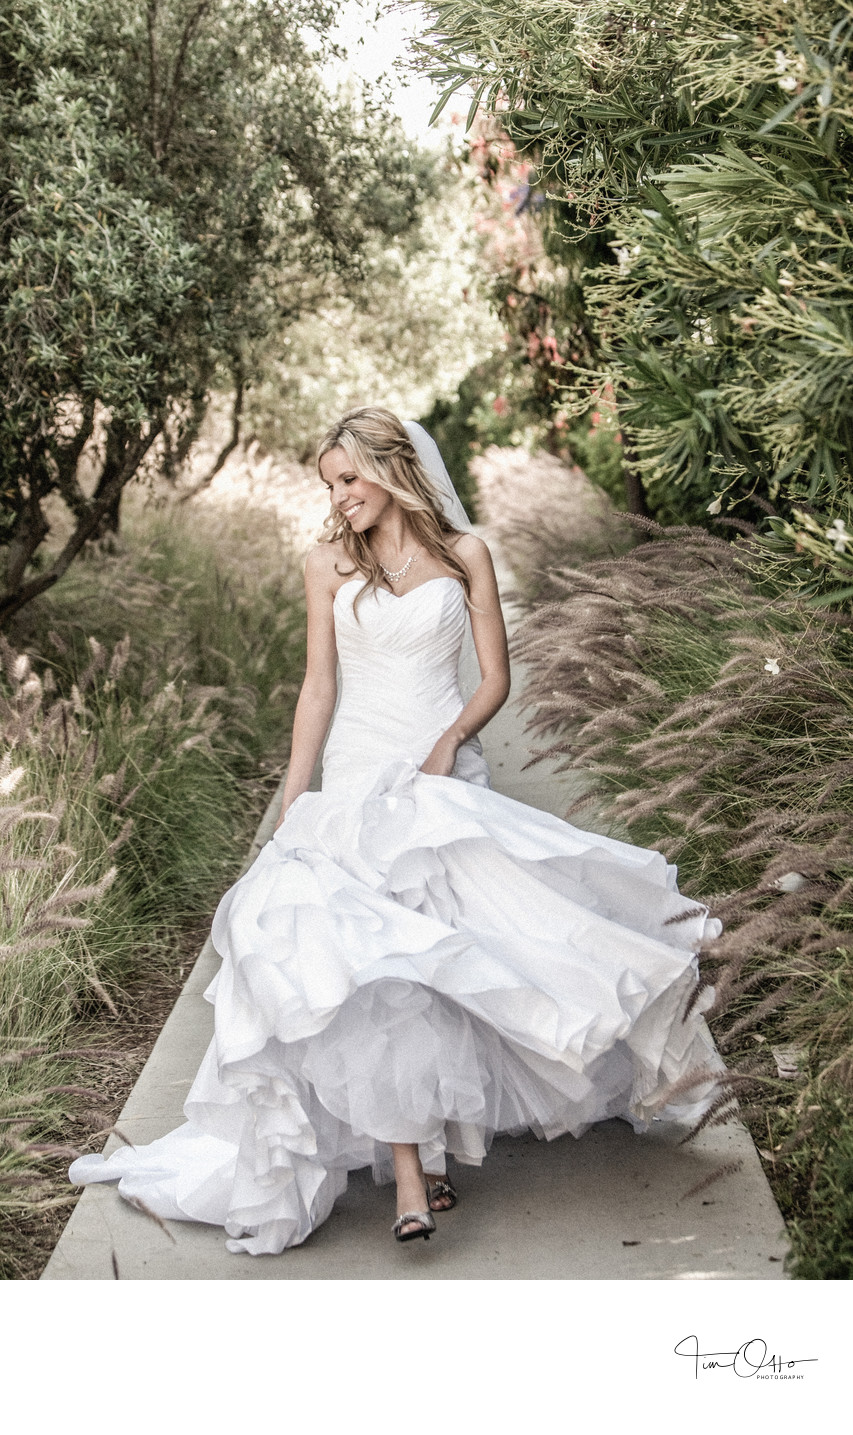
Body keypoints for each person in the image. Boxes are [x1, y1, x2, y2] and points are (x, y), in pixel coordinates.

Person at [70, 407, 723, 1253]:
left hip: (439, 771)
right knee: (377, 969)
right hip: (354, 777)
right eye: (329, 485)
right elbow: (316, 688)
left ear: (394, 468)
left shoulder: (465, 554)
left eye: (349, 478)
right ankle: (410, 1174)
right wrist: (292, 798)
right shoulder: (326, 563)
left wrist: (450, 739)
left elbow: (494, 678)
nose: (338, 498)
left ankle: (435, 1142)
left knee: (448, 955)